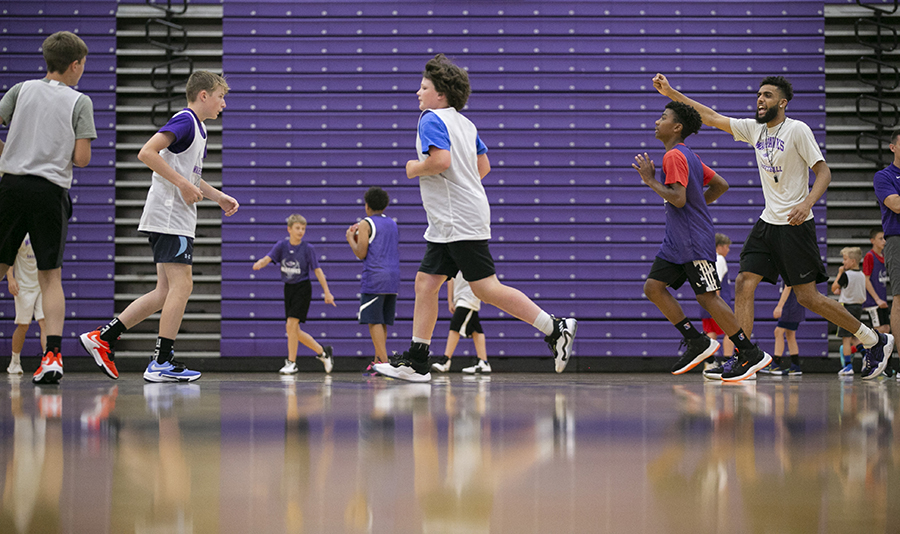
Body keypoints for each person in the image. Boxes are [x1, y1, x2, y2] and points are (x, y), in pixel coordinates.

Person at [653, 73, 894, 380]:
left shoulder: (797, 130)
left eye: (767, 95)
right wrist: (672, 92)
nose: (760, 99)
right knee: (743, 282)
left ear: (782, 102)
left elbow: (823, 172)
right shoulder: (754, 129)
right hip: (768, 222)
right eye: (758, 95)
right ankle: (746, 357)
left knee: (809, 298)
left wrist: (807, 203)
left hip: (796, 225)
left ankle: (873, 339)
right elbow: (711, 117)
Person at [374, 54, 577, 382]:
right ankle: (418, 359)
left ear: (440, 94)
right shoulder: (466, 124)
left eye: (423, 87)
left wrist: (414, 169)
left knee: (486, 289)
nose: (418, 93)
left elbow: (440, 161)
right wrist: (461, 189)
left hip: (458, 221)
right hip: (455, 219)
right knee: (426, 283)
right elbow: (483, 167)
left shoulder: (430, 118)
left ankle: (555, 328)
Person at [79, 70, 238, 383]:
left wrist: (217, 196)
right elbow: (146, 152)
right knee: (183, 285)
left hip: (174, 217)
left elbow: (190, 176)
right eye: (221, 96)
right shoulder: (185, 120)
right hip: (168, 217)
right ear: (203, 95)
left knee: (164, 291)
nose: (223, 103)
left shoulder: (200, 130)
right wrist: (181, 183)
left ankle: (104, 336)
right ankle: (162, 360)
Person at [634, 101, 770, 381]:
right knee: (653, 287)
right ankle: (697, 341)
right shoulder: (689, 156)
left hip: (693, 240)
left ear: (677, 127)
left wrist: (650, 181)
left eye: (663, 117)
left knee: (707, 297)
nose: (657, 122)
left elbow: (678, 198)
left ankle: (749, 352)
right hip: (676, 243)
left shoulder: (674, 156)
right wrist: (700, 204)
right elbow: (721, 184)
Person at [0, 31, 96, 384]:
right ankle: (52, 357)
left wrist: (11, 152)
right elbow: (83, 159)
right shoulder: (79, 101)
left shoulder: (20, 90)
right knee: (49, 277)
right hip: (50, 192)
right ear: (75, 65)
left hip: (11, 185)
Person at [254, 213, 335, 374]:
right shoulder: (282, 246)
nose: (301, 231)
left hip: (303, 288)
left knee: (291, 325)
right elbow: (269, 257)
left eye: (303, 228)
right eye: (298, 228)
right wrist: (260, 263)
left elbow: (318, 271)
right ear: (289, 229)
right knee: (293, 330)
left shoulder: (307, 249)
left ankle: (292, 362)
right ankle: (323, 352)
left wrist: (327, 292)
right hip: (288, 288)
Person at [345, 186, 400, 375]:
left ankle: (384, 363)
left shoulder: (365, 223)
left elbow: (361, 253)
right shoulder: (392, 223)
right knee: (382, 320)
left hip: (375, 276)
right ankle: (378, 360)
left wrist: (350, 238)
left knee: (373, 320)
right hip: (393, 277)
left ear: (367, 205)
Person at [872, 128, 900, 381]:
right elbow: (896, 204)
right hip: (897, 240)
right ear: (893, 147)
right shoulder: (884, 176)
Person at [431, 272, 491, 374]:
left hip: (470, 297)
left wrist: (484, 294)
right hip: (459, 297)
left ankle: (445, 361)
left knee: (455, 325)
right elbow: (450, 279)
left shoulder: (475, 257)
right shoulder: (453, 257)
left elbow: (483, 275)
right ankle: (483, 362)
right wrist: (450, 300)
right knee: (475, 328)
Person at [6, 235, 46, 374]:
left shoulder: (45, 231)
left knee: (44, 323)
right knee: (23, 326)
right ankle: (15, 361)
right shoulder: (21, 230)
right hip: (23, 286)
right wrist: (10, 279)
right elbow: (9, 257)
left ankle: (48, 362)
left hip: (42, 284)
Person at [700, 233, 736, 379]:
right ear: (719, 247)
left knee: (711, 332)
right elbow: (716, 283)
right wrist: (717, 303)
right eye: (727, 247)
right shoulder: (719, 259)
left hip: (704, 302)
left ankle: (710, 362)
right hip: (718, 302)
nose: (728, 250)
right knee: (730, 331)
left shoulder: (705, 259)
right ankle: (728, 361)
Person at [831, 247, 866, 376]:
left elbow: (834, 287)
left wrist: (840, 273)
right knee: (854, 336)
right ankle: (865, 355)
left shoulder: (846, 274)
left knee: (846, 338)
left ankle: (847, 366)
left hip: (846, 308)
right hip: (858, 307)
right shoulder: (862, 275)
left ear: (852, 261)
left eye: (845, 259)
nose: (843, 262)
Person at [761, 280, 805, 375]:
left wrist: (779, 306)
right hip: (795, 305)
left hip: (790, 306)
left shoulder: (788, 266)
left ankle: (776, 364)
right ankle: (795, 366)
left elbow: (788, 286)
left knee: (778, 332)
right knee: (790, 334)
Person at [862, 228, 890, 335]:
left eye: (884, 238)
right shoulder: (870, 256)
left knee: (886, 329)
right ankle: (869, 351)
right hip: (873, 302)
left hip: (882, 300)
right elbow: (866, 279)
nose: (884, 241)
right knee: (879, 332)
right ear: (872, 240)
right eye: (880, 239)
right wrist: (877, 299)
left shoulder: (883, 256)